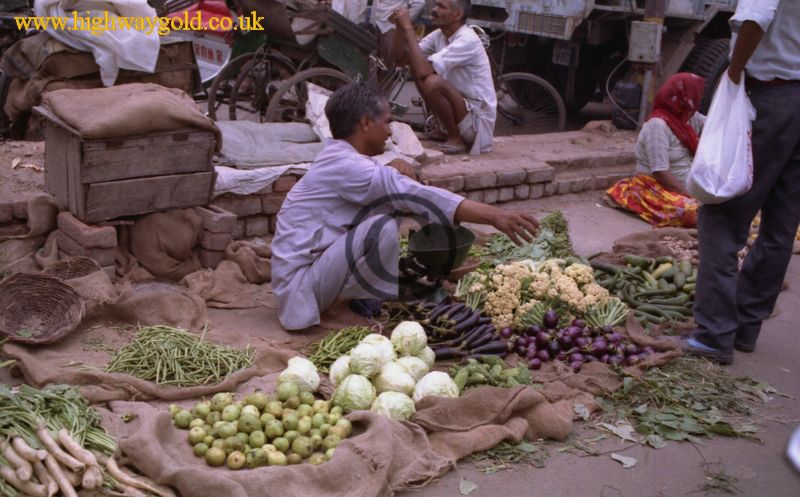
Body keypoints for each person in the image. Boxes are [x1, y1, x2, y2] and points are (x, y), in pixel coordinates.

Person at [270, 82, 538, 331]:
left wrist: (393, 166)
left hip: (311, 275)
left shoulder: (341, 158)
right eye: (387, 122)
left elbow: (382, 181)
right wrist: (495, 216)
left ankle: (348, 299)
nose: (389, 131)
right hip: (301, 288)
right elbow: (419, 196)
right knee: (382, 226)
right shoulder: (349, 166)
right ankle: (336, 311)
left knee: (386, 211)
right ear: (365, 123)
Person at [681, 0, 800, 364]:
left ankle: (714, 333)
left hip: (770, 96)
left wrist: (732, 76)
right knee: (781, 224)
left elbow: (755, 19)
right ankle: (746, 326)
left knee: (722, 214)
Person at [391, 0, 496, 155]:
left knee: (433, 82)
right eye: (435, 5)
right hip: (462, 110)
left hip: (477, 123)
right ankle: (445, 129)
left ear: (457, 14)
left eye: (441, 6)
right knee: (417, 66)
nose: (434, 10)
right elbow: (401, 59)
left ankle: (456, 139)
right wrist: (400, 29)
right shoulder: (439, 35)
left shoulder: (467, 39)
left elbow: (424, 72)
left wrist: (408, 27)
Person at [606, 73, 706, 228]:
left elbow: (717, 127)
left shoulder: (690, 117)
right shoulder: (658, 125)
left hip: (689, 183)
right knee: (692, 211)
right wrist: (692, 195)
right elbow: (660, 172)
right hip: (655, 185)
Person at [370, 0, 425, 65]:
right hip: (376, 23)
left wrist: (403, 19)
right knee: (375, 60)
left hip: (390, 27)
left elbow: (419, 3)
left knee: (389, 62)